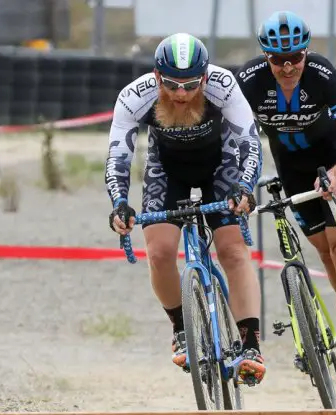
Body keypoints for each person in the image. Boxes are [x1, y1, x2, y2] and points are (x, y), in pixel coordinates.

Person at [236, 11, 336, 397]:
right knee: (326, 255)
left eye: (295, 57)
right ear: (265, 56)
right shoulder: (250, 79)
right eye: (278, 59)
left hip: (332, 163)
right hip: (291, 170)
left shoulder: (322, 74)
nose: (288, 67)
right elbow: (235, 136)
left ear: (306, 52)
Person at [104, 33, 267, 383]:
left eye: (191, 84)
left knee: (232, 250)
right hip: (167, 169)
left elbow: (250, 143)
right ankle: (181, 327)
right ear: (157, 77)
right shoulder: (135, 96)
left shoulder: (224, 85)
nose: (181, 94)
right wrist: (119, 202)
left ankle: (250, 342)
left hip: (220, 166)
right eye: (173, 85)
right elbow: (119, 155)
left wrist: (245, 187)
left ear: (205, 77)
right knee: (160, 253)